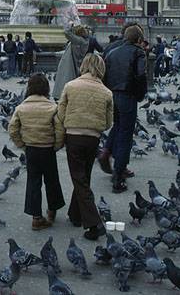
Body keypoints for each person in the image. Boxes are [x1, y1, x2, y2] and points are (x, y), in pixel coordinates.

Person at [58, 54, 113, 240]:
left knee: (79, 179)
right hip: (93, 138)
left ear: (83, 65)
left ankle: (94, 224)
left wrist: (70, 123)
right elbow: (108, 122)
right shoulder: (106, 92)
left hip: (73, 136)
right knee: (83, 177)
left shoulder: (71, 86)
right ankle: (75, 214)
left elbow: (61, 112)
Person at [8, 74, 65, 231]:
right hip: (48, 149)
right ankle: (52, 210)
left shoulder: (21, 108)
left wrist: (22, 145)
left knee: (33, 182)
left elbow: (12, 129)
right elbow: (60, 129)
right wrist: (57, 145)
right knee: (52, 180)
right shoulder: (52, 107)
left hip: (31, 149)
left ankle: (36, 218)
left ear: (29, 88)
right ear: (46, 88)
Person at [103, 25, 147, 193]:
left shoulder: (113, 53)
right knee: (125, 136)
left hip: (112, 95)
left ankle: (107, 153)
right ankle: (118, 175)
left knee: (118, 126)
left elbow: (105, 74)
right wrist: (140, 95)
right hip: (128, 96)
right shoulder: (138, 52)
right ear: (138, 39)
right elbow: (141, 75)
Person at [51, 24, 90, 100]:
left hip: (69, 68)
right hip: (70, 66)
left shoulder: (79, 41)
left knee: (63, 88)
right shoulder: (82, 41)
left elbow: (66, 33)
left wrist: (70, 26)